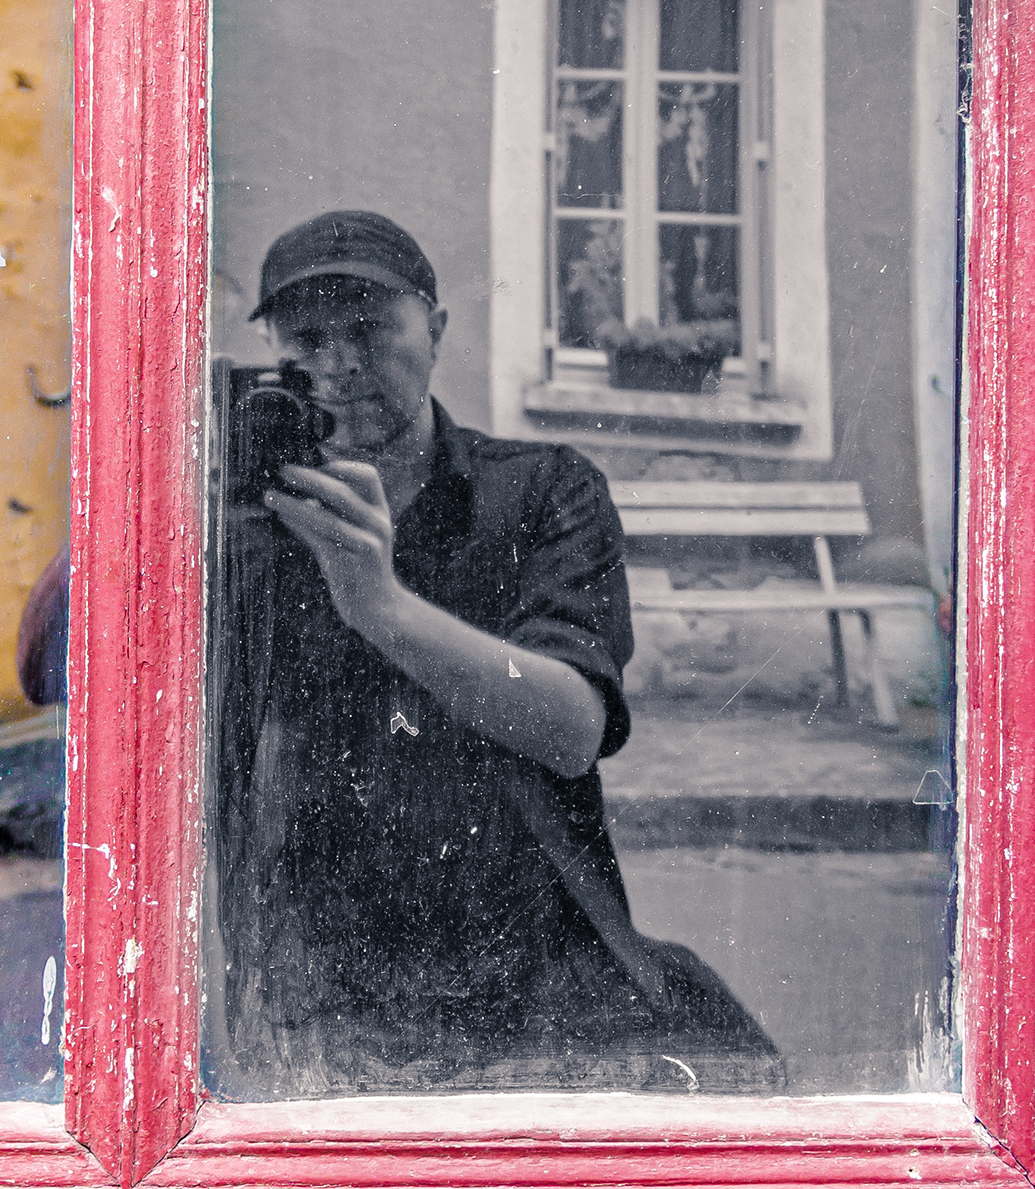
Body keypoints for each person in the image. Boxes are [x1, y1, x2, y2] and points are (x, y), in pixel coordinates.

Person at [211, 209, 780, 1097]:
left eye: (370, 328)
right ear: (275, 359)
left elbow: (574, 727)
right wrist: (158, 483)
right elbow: (51, 667)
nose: (343, 364)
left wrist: (381, 606)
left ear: (435, 331)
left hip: (538, 971)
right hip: (320, 991)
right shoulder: (240, 521)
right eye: (309, 342)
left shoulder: (541, 490)